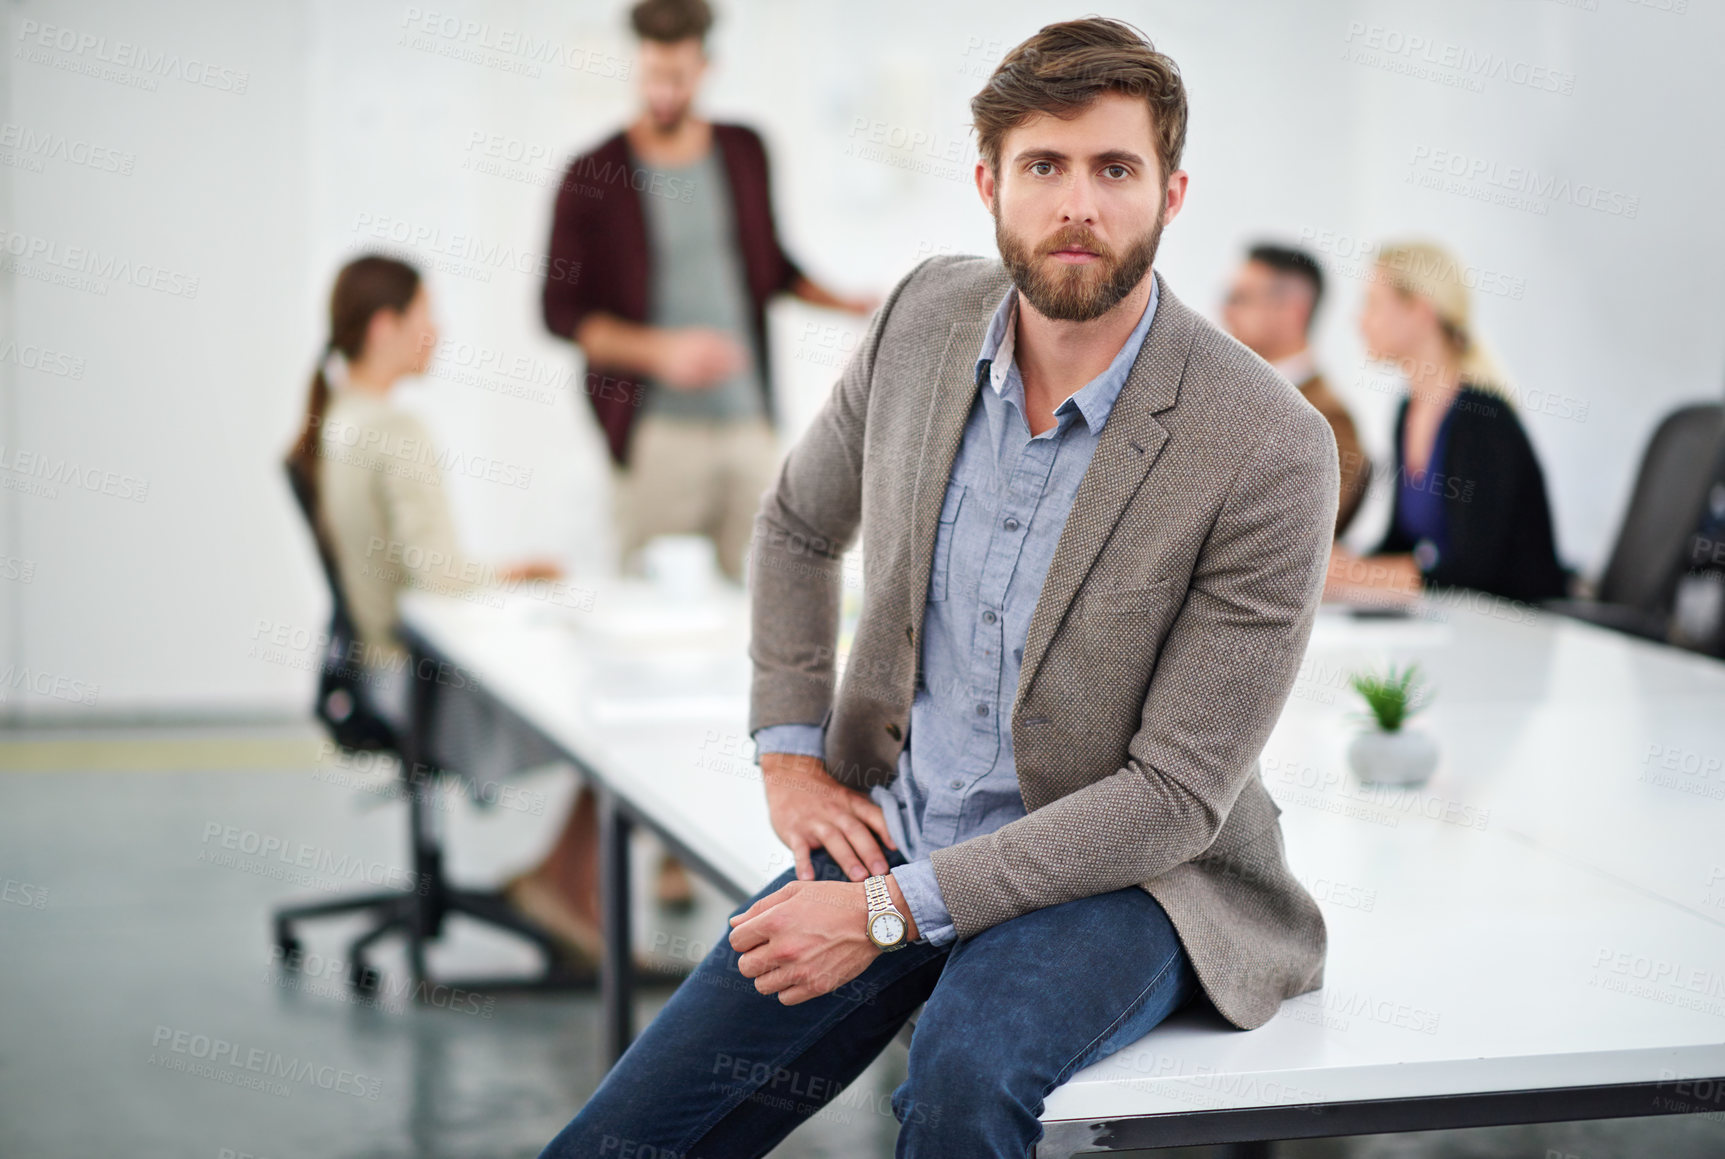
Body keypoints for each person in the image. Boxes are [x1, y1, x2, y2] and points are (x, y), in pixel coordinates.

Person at [541, 18, 1337, 1157]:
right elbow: (798, 523)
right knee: (617, 1142)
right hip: (899, 825)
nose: (1078, 205)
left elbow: (1172, 795)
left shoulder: (1267, 442)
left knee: (961, 1085)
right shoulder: (923, 318)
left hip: (1130, 877)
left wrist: (882, 915)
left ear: (1172, 191)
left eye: (1116, 169)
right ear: (988, 184)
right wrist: (789, 753)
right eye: (1043, 167)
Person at [287, 254, 606, 964]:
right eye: (427, 316)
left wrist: (498, 574)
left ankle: (555, 881)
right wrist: (519, 585)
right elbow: (438, 578)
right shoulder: (395, 432)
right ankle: (562, 886)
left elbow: (414, 572)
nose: (439, 333)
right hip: (414, 687)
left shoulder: (338, 420)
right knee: (610, 719)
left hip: (373, 674)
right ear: (385, 325)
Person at [541, 0, 873, 586]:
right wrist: (660, 352)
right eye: (651, 76)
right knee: (650, 604)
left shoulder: (745, 151)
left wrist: (846, 302)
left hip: (748, 424)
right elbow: (560, 313)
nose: (662, 92)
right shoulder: (592, 174)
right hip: (654, 435)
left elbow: (769, 266)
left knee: (767, 599)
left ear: (705, 68)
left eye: (677, 76)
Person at [1326, 240, 1567, 605]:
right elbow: (1402, 543)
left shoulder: (1481, 418)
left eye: (1373, 303)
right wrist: (1346, 564)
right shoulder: (1409, 410)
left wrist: (1354, 575)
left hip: (1518, 629)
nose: (1359, 319)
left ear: (1420, 311)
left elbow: (1473, 569)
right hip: (1458, 623)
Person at [1222, 243, 1371, 535]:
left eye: (1241, 299)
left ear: (1293, 312)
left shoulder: (1329, 418)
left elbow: (1301, 532)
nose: (1225, 311)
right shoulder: (1224, 393)